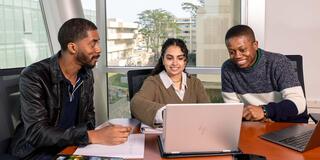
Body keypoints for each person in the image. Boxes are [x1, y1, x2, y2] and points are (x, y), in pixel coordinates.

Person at [9, 18, 131, 159]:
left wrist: (101, 134)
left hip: (71, 146)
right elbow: (37, 133)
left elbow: (89, 116)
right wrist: (91, 136)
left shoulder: (86, 74)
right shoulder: (34, 76)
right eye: (93, 44)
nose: (99, 49)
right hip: (35, 152)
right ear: (73, 47)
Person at [221, 24, 308, 123]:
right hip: (254, 124)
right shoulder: (228, 68)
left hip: (286, 124)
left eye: (242, 50)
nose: (237, 56)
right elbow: (233, 109)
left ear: (255, 45)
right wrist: (258, 118)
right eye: (232, 52)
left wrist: (264, 111)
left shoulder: (278, 62)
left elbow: (299, 103)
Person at [130, 38, 210, 128]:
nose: (175, 63)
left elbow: (207, 112)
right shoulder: (153, 82)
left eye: (180, 58)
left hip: (193, 135)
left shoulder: (195, 83)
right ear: (163, 60)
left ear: (185, 61)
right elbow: (135, 104)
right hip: (164, 138)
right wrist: (166, 113)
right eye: (169, 58)